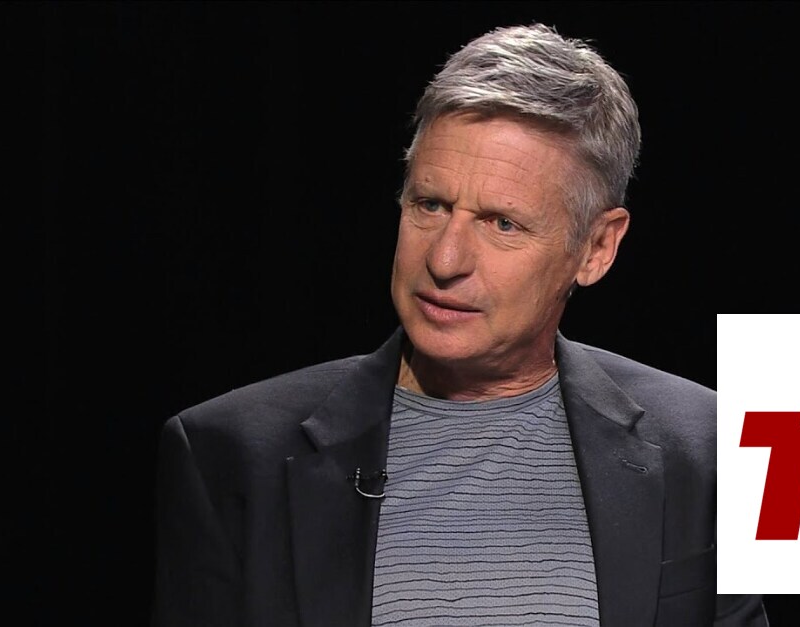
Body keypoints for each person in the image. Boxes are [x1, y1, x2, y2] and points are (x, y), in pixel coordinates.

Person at [154, 23, 766, 627]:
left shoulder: (711, 449)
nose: (445, 260)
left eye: (503, 223)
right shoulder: (230, 456)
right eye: (431, 205)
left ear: (597, 248)